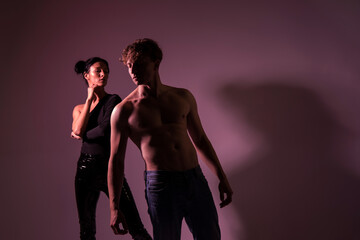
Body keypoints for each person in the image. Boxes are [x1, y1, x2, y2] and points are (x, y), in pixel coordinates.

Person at [108, 39, 233, 240]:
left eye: (139, 64)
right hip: (161, 185)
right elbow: (116, 160)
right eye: (129, 66)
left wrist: (222, 177)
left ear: (156, 63)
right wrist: (114, 207)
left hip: (194, 179)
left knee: (210, 236)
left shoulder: (182, 97)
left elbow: (200, 140)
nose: (133, 71)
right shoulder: (124, 110)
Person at [71, 57, 152, 240]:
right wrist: (89, 97)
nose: (103, 74)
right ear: (86, 75)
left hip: (108, 168)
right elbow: (77, 128)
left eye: (106, 71)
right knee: (86, 228)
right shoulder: (79, 108)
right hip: (84, 169)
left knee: (135, 226)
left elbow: (104, 130)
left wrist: (83, 134)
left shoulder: (112, 100)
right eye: (98, 70)